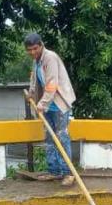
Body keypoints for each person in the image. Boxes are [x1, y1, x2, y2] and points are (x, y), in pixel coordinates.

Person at [24, 33, 77, 187]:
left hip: (58, 105)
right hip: (46, 106)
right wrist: (32, 94)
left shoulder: (50, 57)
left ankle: (68, 173)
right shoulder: (36, 62)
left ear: (41, 45)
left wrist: (42, 103)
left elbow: (52, 84)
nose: (33, 52)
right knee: (49, 139)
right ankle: (54, 171)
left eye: (35, 48)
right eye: (29, 50)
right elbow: (34, 80)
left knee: (62, 137)